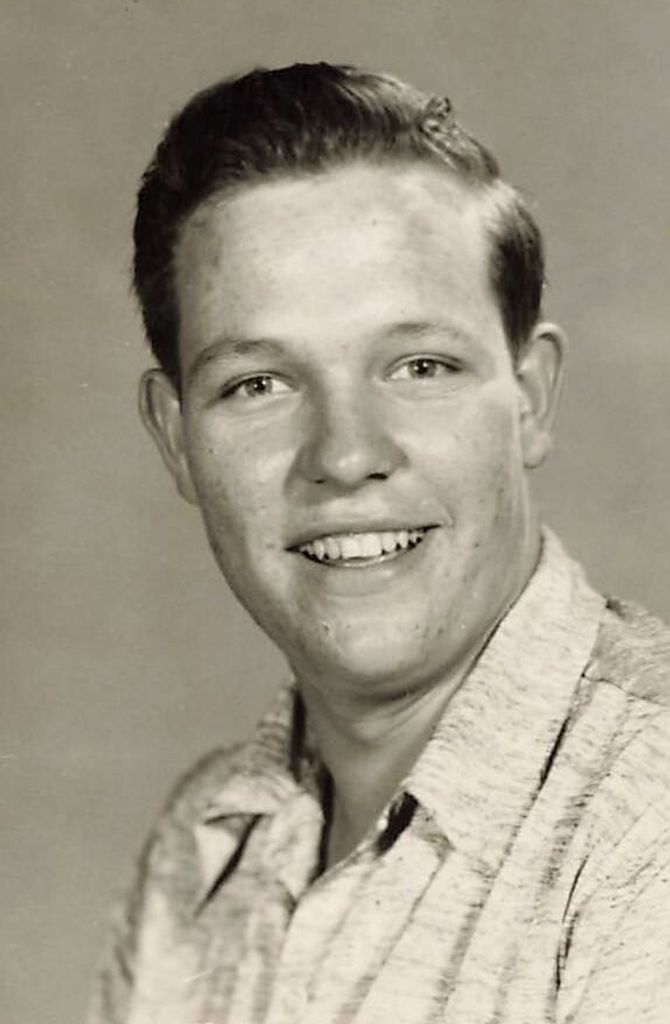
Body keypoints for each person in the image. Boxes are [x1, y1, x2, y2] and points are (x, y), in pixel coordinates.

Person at [88, 63, 670, 1024]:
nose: (346, 456)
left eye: (419, 366)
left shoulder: (648, 820)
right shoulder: (198, 847)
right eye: (258, 385)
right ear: (177, 438)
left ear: (530, 398)